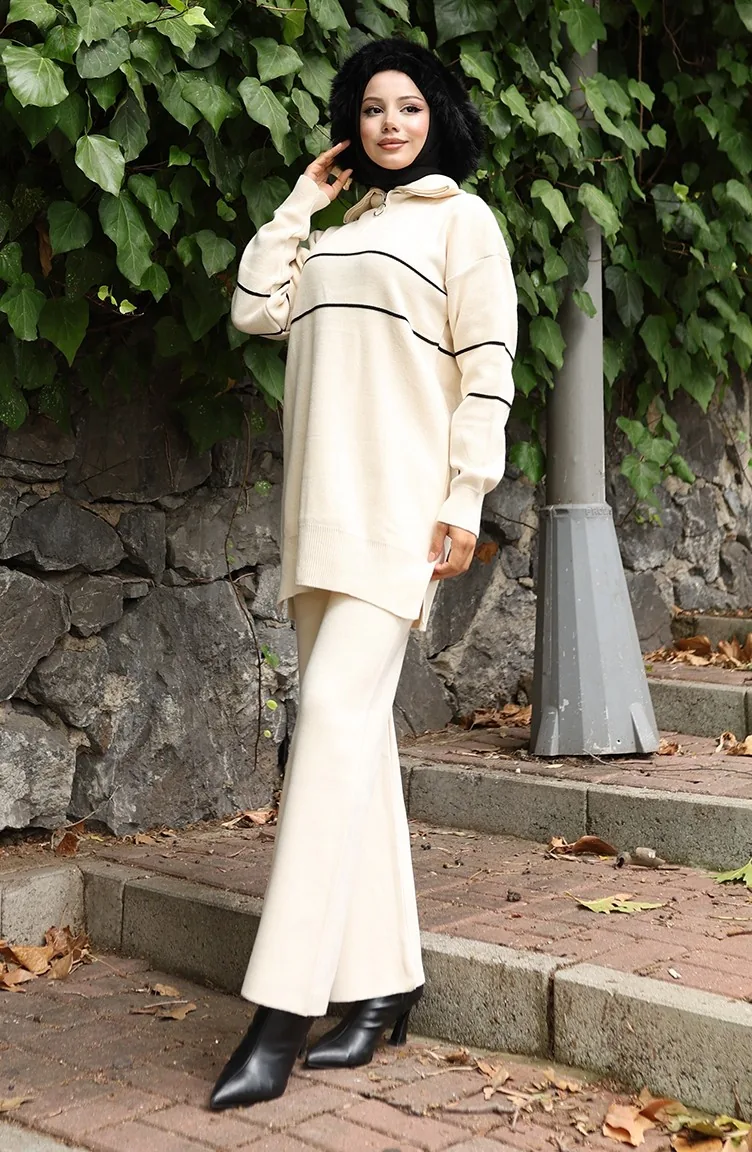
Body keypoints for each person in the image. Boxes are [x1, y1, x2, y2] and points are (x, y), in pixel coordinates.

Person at [210, 36, 518, 1112]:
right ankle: (385, 985)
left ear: (438, 117)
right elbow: (253, 306)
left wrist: (464, 496)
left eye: (410, 106)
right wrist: (303, 200)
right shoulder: (336, 234)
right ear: (352, 123)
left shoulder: (462, 223)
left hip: (399, 518)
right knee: (358, 745)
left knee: (332, 724)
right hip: (317, 518)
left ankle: (279, 1011)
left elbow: (488, 369)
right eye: (374, 108)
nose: (391, 123)